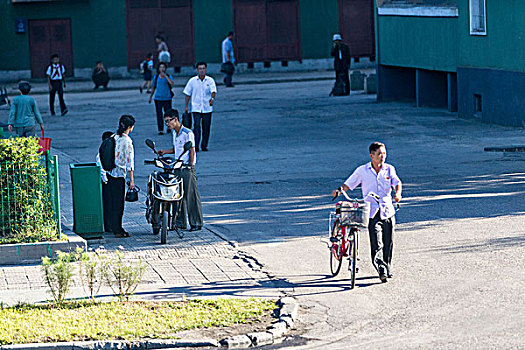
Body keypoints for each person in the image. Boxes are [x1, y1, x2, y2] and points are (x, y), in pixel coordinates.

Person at [332, 142, 402, 283]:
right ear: (371, 155)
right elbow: (349, 183)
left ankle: (387, 267)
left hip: (387, 210)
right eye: (379, 154)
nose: (382, 156)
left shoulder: (389, 169)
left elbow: (397, 183)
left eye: (384, 153)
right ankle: (380, 268)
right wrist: (339, 190)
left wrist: (398, 194)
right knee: (376, 243)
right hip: (371, 212)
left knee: (389, 241)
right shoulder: (362, 171)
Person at [158, 109, 203, 231]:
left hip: (187, 168)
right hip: (176, 167)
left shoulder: (187, 133)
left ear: (176, 119)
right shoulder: (174, 133)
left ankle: (196, 222)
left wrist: (189, 165)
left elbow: (191, 149)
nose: (167, 124)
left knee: (191, 195)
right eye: (165, 121)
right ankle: (180, 222)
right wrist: (165, 152)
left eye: (169, 121)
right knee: (178, 196)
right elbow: (177, 149)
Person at [106, 115, 135, 238]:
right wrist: (132, 180)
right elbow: (129, 162)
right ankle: (118, 229)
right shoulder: (127, 141)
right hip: (119, 175)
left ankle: (111, 226)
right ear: (129, 127)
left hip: (109, 173)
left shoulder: (113, 137)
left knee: (111, 202)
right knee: (119, 204)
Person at [183, 62, 217, 152]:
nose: (202, 71)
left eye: (203, 69)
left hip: (207, 108)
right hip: (196, 107)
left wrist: (212, 98)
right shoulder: (192, 81)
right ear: (197, 70)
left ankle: (204, 145)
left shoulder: (210, 80)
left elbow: (213, 91)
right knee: (196, 126)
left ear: (206, 69)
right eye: (200, 69)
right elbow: (187, 94)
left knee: (206, 127)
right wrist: (186, 106)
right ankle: (196, 145)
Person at [149, 62, 174, 135]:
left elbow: (172, 84)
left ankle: (169, 127)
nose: (162, 69)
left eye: (163, 67)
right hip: (158, 98)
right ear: (158, 69)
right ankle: (160, 129)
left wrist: (166, 76)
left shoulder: (168, 76)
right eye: (160, 67)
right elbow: (153, 87)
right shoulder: (156, 77)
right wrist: (150, 97)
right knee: (159, 114)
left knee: (168, 114)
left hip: (167, 98)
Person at [96, 131, 114, 233]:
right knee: (107, 205)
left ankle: (110, 224)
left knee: (110, 205)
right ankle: (108, 225)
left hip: (108, 180)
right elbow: (101, 170)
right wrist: (106, 181)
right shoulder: (101, 153)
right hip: (106, 182)